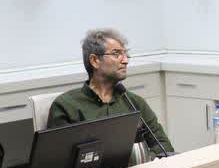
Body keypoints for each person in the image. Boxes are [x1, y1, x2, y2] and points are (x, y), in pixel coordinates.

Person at [48, 29, 173, 157]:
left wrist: (139, 160)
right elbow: (58, 158)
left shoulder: (134, 102)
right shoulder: (66, 106)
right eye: (116, 54)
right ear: (95, 60)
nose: (125, 60)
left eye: (126, 54)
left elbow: (164, 146)